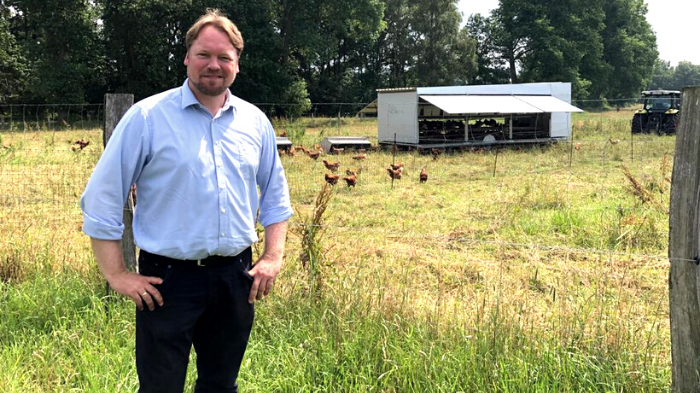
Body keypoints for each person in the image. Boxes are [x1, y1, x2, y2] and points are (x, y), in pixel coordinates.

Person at [80, 9, 293, 393]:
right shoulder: (146, 117)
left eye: (224, 57)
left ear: (237, 64)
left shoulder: (255, 122)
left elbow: (276, 198)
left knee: (221, 384)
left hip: (236, 278)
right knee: (161, 387)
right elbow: (102, 198)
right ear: (186, 58)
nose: (214, 65)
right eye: (204, 55)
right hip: (167, 280)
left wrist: (273, 256)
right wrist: (116, 274)